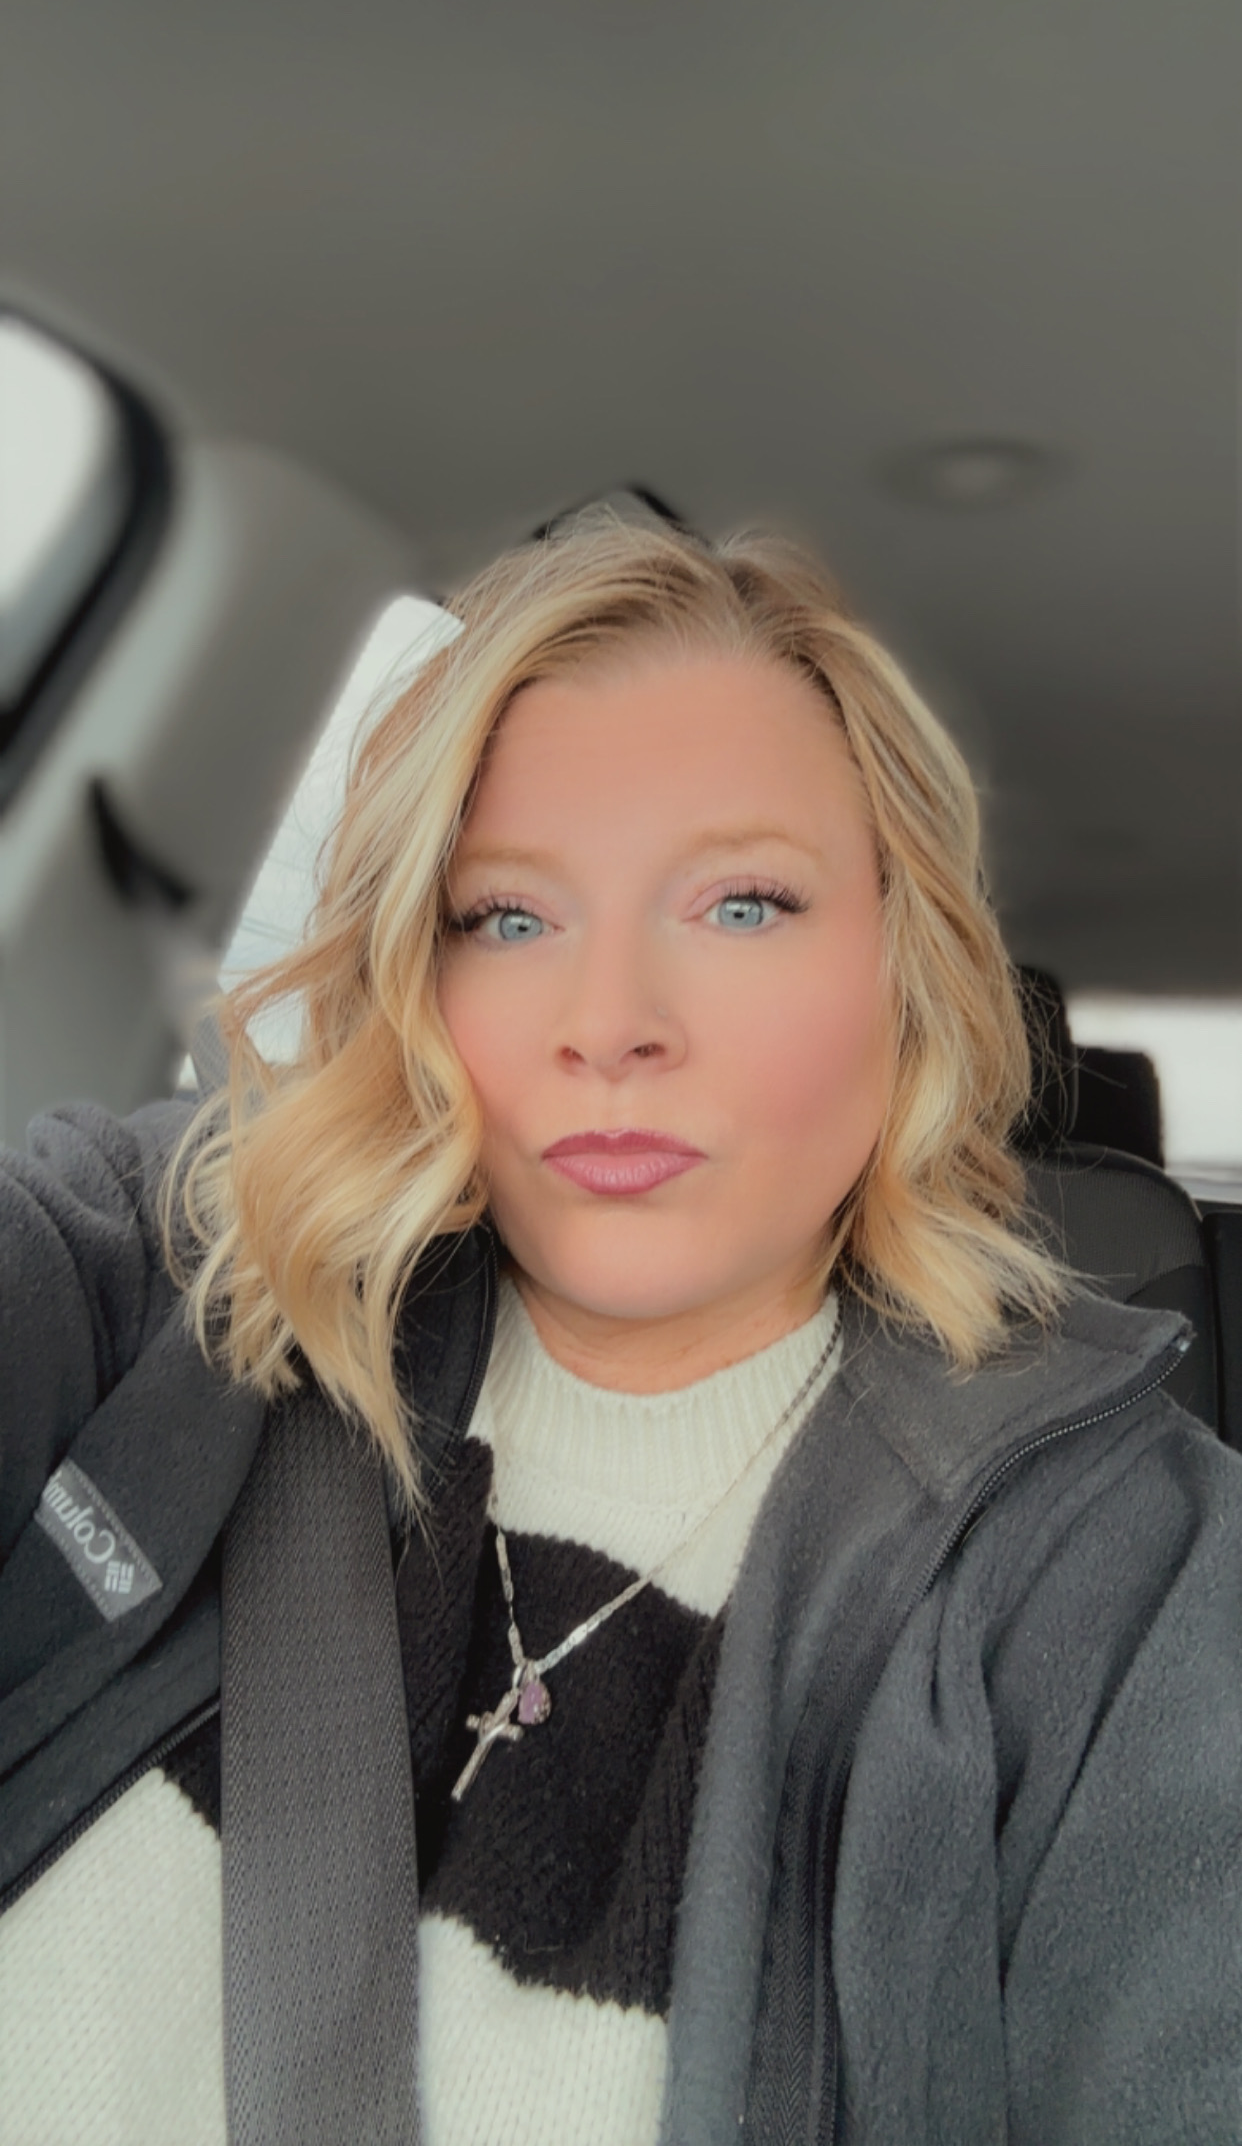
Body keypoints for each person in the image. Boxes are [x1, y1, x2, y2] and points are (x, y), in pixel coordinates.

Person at [1, 508, 1240, 2145]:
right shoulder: (182, 1275)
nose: (609, 1027)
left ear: (905, 966)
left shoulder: (1130, 1584)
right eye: (507, 917)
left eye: (742, 904)